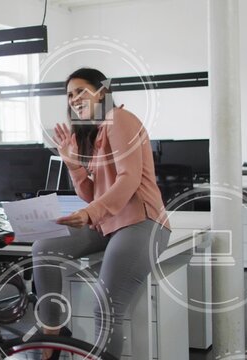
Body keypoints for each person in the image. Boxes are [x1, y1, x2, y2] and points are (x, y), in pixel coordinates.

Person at [31, 68, 171, 360]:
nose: (74, 99)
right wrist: (73, 163)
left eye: (81, 91)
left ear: (102, 92)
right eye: (69, 95)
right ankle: (52, 333)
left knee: (105, 307)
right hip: (107, 224)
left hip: (141, 221)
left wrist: (89, 213)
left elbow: (129, 179)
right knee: (44, 248)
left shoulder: (118, 118)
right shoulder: (93, 134)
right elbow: (91, 194)